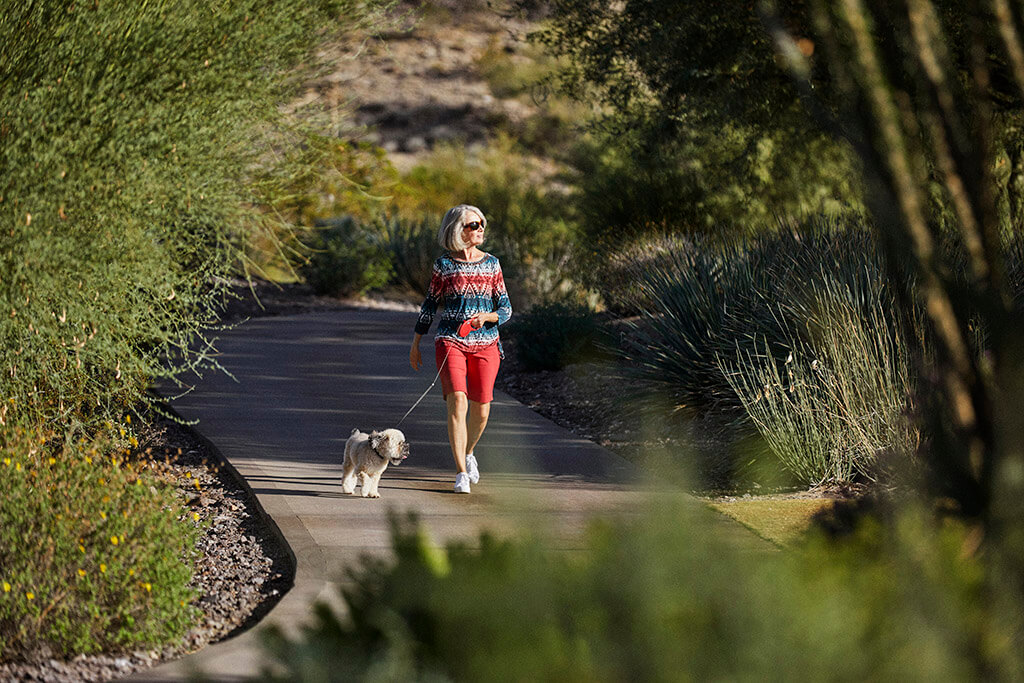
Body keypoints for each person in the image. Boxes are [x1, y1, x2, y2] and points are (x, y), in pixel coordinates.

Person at [410, 204, 512, 494]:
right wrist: (416, 341)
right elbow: (430, 304)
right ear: (457, 229)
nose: (479, 229)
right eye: (472, 225)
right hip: (450, 341)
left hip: (487, 343)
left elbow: (505, 308)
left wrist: (488, 317)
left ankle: (469, 453)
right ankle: (461, 473)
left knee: (481, 410)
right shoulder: (444, 265)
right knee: (458, 400)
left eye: (481, 224)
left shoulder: (492, 264)